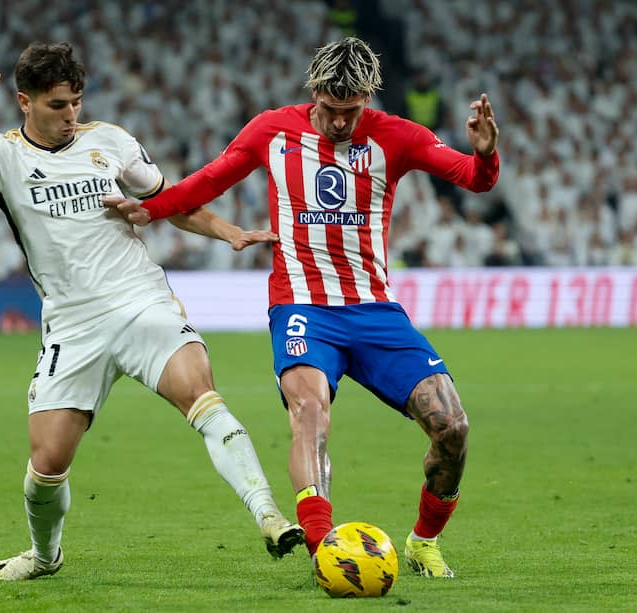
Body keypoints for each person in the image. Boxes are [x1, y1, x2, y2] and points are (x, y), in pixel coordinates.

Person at [106, 37, 500, 579]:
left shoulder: (396, 136)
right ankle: (324, 550)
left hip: (375, 311)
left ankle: (423, 542)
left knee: (453, 428)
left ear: (368, 97)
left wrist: (484, 152)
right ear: (314, 91)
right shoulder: (273, 129)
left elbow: (475, 180)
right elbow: (211, 179)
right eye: (332, 110)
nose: (341, 122)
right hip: (302, 309)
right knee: (309, 413)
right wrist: (149, 210)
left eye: (352, 110)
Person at [0, 41, 303, 581]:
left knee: (201, 395)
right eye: (58, 105)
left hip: (140, 300)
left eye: (76, 102)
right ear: (23, 101)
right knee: (47, 466)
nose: (71, 115)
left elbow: (170, 201)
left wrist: (229, 232)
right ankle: (44, 556)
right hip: (72, 324)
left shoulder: (111, 142)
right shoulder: (3, 155)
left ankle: (269, 515)